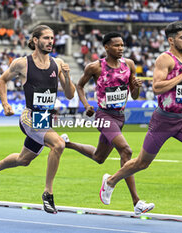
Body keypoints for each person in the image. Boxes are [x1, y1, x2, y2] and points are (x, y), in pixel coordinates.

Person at [99, 22, 182, 217]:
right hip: (163, 121)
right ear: (171, 40)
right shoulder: (165, 59)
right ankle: (110, 181)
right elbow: (157, 87)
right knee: (142, 163)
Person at [0, 25, 75, 214]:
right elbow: (2, 80)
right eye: (46, 38)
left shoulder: (57, 63)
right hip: (30, 117)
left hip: (45, 119)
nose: (50, 41)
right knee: (58, 144)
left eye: (52, 38)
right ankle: (48, 194)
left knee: (24, 160)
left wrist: (67, 75)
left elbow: (70, 94)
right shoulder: (22, 63)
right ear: (34, 40)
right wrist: (6, 104)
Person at [61, 32, 154, 214]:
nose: (120, 48)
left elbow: (134, 96)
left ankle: (67, 143)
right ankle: (132, 198)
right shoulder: (95, 67)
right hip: (103, 116)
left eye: (122, 45)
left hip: (120, 117)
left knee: (99, 157)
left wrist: (135, 85)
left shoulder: (129, 65)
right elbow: (80, 86)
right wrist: (87, 104)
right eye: (116, 45)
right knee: (126, 151)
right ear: (106, 47)